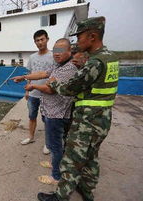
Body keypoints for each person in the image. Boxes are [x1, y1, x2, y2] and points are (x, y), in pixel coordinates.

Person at [37, 16, 119, 201]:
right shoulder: (109, 58)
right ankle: (87, 190)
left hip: (87, 121)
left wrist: (55, 83)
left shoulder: (94, 63)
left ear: (92, 36)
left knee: (71, 160)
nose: (77, 40)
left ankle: (60, 197)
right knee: (91, 157)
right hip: (103, 119)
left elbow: (70, 88)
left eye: (80, 36)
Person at [13, 38, 78, 185]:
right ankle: (56, 164)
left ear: (69, 51)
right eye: (55, 51)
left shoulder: (69, 68)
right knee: (54, 144)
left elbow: (50, 89)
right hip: (50, 111)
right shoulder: (59, 65)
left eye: (61, 51)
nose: (57, 54)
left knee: (55, 145)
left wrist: (34, 87)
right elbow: (43, 73)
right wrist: (24, 77)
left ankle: (56, 177)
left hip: (57, 113)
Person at [19, 30, 54, 154]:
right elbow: (29, 74)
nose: (40, 42)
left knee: (47, 120)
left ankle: (48, 143)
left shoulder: (53, 56)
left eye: (42, 39)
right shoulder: (32, 57)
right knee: (32, 117)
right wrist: (27, 90)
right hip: (33, 94)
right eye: (37, 40)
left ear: (47, 39)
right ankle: (31, 137)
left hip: (47, 94)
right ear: (35, 42)